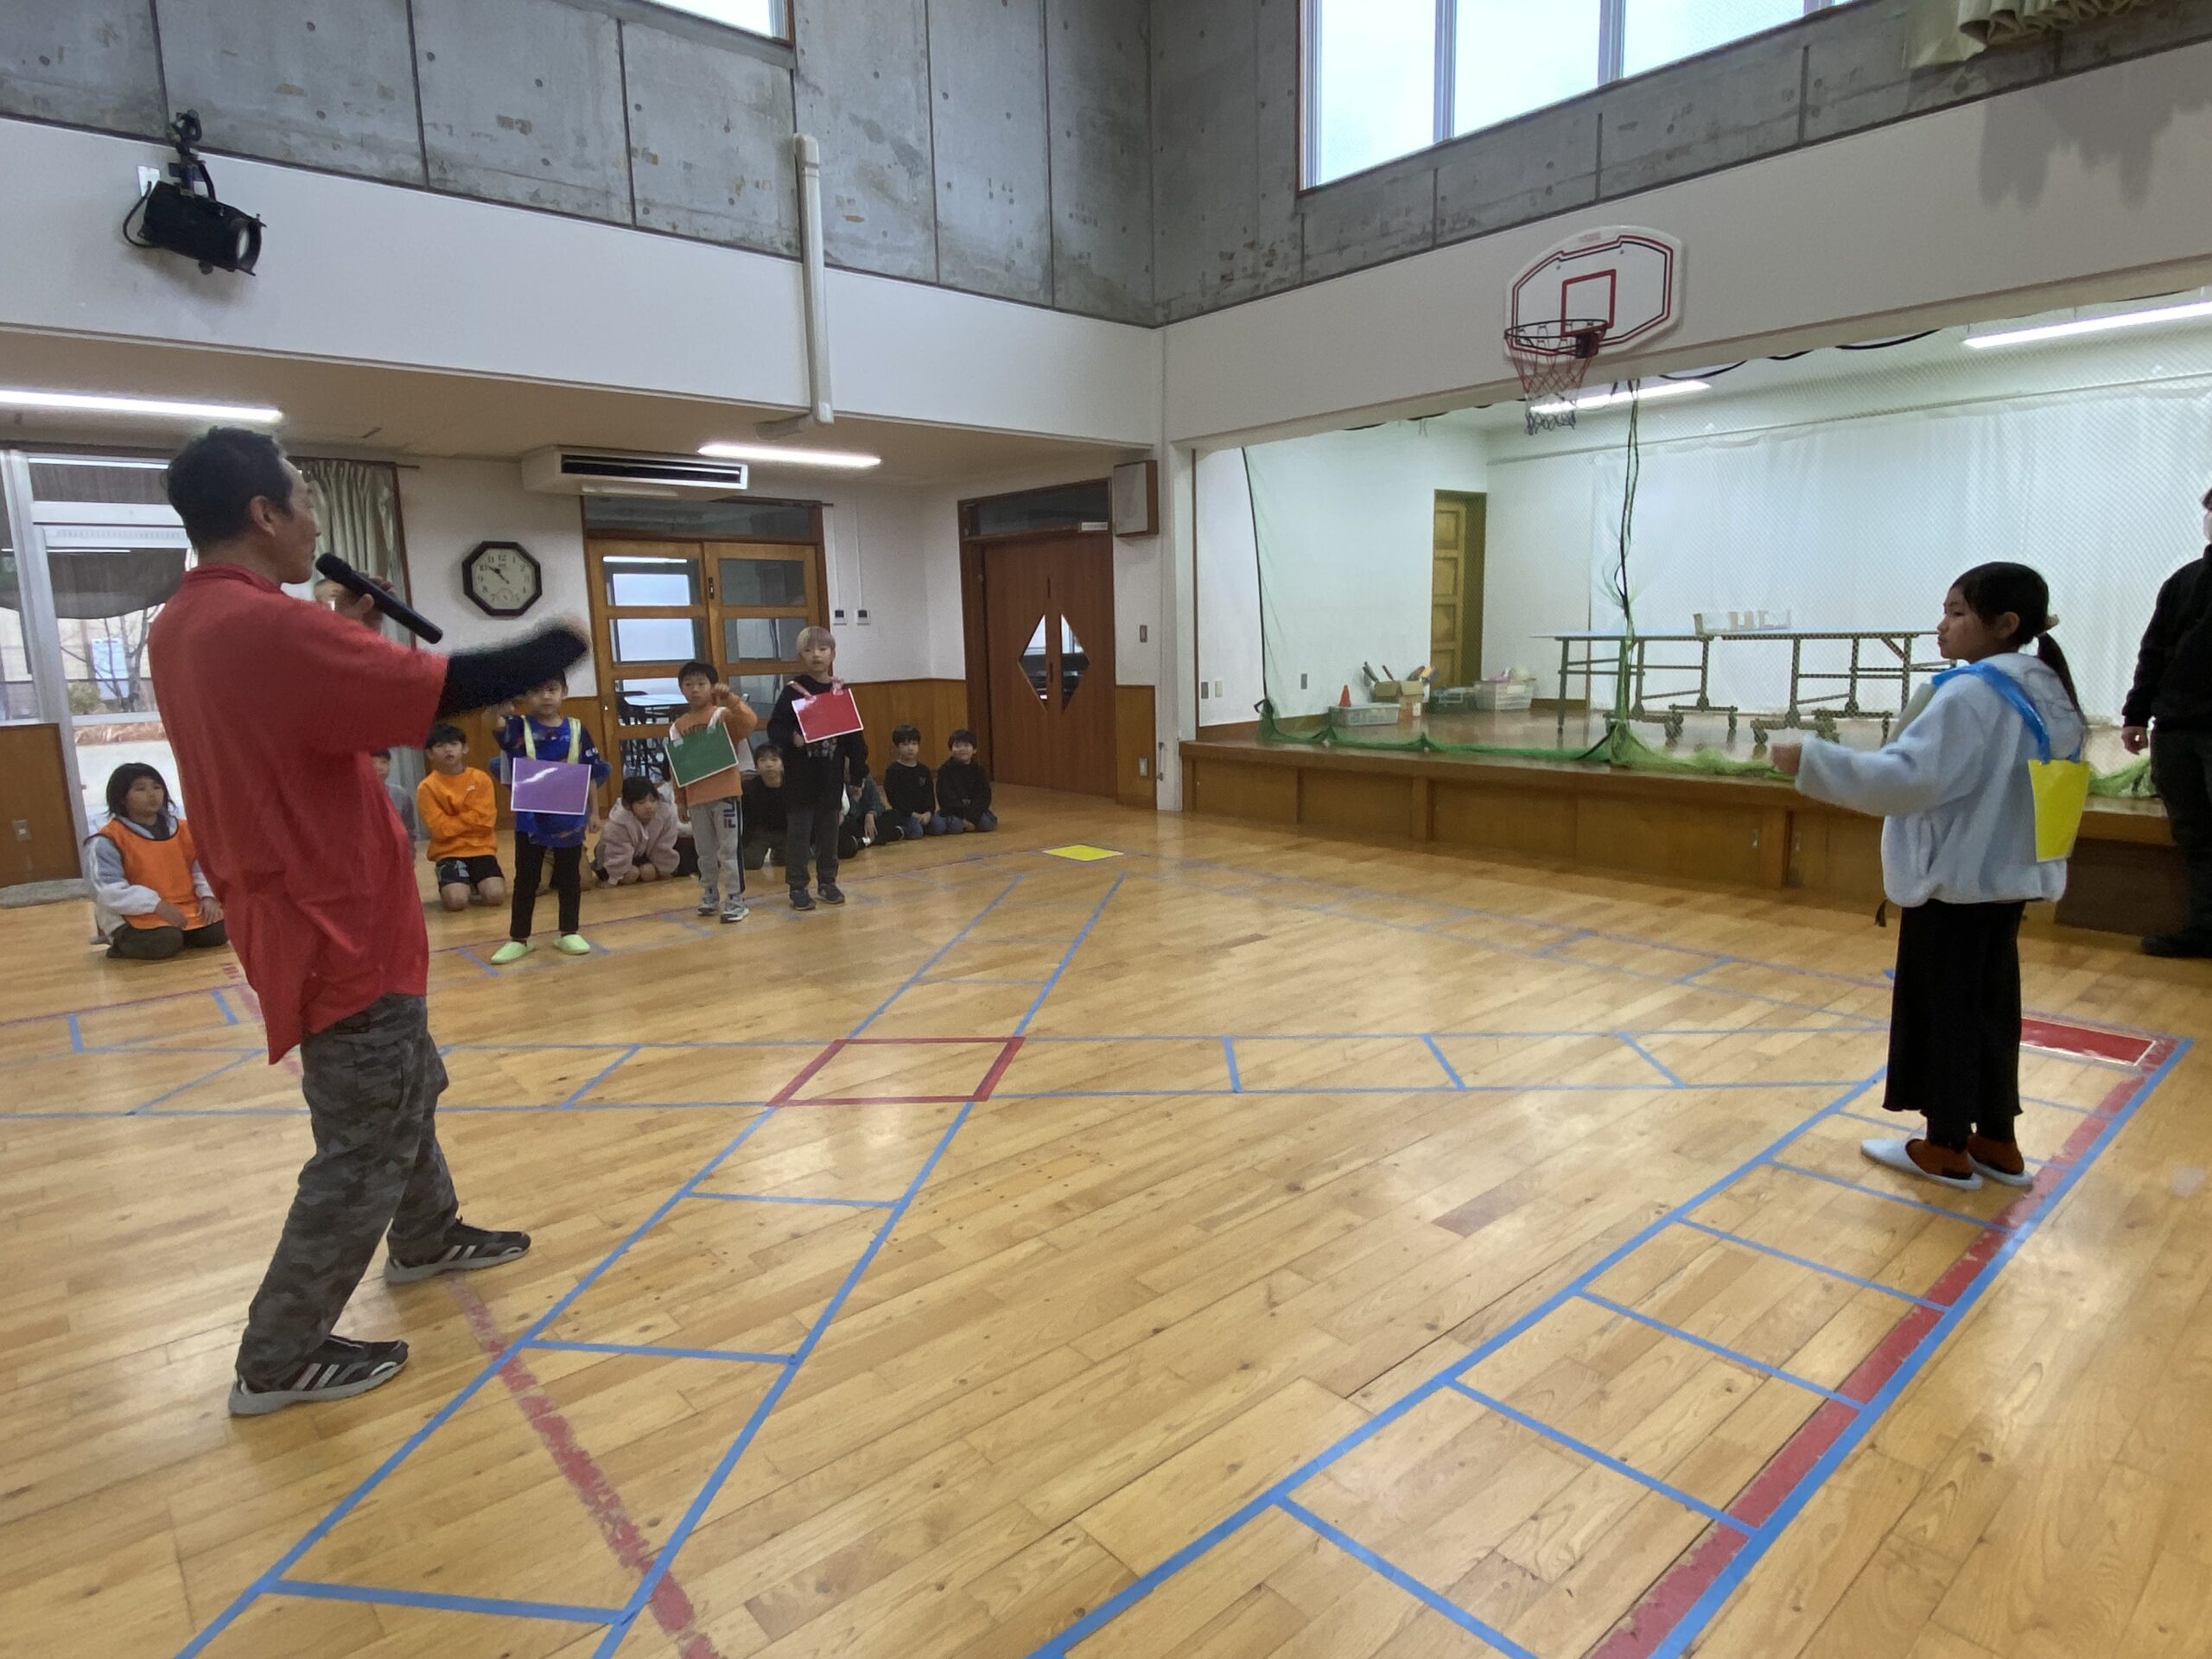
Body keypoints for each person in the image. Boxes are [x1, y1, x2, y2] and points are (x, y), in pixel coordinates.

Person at [150, 426, 587, 1414]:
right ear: (263, 514)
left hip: (309, 909)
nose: (314, 519)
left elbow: (310, 704)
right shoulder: (266, 627)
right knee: (363, 1139)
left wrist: (340, 631)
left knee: (403, 1088)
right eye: (303, 498)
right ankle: (279, 1354)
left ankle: (427, 1234)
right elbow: (445, 692)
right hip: (332, 922)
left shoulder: (189, 622)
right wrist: (558, 642)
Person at [1773, 563, 2082, 1193]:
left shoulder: (1970, 695)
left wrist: (1811, 761)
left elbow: (1906, 780)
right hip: (2008, 883)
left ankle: (1943, 1147)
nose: (1942, 625)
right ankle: (1997, 1139)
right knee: (1992, 1009)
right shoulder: (2050, 690)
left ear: (2006, 624)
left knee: (1945, 1014)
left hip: (1954, 883)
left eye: (1958, 612)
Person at [2121, 484, 2212, 957]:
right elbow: (2153, 650)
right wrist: (2136, 713)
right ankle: (2205, 928)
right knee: (2194, 835)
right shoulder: (2185, 580)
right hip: (2176, 727)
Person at [493, 677, 608, 963]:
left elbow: (590, 773)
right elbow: (491, 723)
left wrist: (594, 812)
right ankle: (519, 938)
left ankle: (569, 931)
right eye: (537, 690)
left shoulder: (578, 729)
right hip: (531, 818)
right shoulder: (518, 726)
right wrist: (498, 706)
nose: (545, 696)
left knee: (570, 877)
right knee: (526, 878)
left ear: (564, 693)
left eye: (552, 690)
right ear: (526, 695)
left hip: (569, 816)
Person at [766, 626, 868, 910]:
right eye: (809, 650)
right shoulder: (792, 691)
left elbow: (855, 739)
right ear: (801, 656)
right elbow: (775, 728)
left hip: (830, 778)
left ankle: (828, 881)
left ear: (832, 654)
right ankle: (798, 886)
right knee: (799, 834)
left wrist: (857, 774)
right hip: (800, 779)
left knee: (829, 833)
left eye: (823, 649)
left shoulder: (840, 692)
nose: (816, 655)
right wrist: (793, 738)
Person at [87, 762, 228, 960]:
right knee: (164, 941)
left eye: (156, 787)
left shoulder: (185, 829)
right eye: (140, 789)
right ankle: (119, 943)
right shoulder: (107, 839)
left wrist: (208, 896)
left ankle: (180, 935)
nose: (152, 794)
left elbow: (203, 868)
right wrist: (155, 905)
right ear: (121, 798)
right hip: (134, 913)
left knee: (218, 932)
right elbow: (105, 890)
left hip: (184, 908)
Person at [668, 659, 757, 924]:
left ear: (711, 687)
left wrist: (730, 698)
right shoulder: (678, 727)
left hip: (726, 796)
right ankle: (709, 892)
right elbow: (677, 766)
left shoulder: (722, 716)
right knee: (705, 851)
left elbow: (749, 722)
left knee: (729, 850)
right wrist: (680, 800)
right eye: (688, 684)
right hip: (697, 800)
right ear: (681, 688)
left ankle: (736, 898)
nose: (695, 689)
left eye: (701, 684)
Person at [416, 722, 504, 912]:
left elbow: (486, 822)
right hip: (448, 852)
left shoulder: (481, 779)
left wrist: (454, 821)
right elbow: (440, 830)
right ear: (429, 753)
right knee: (456, 902)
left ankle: (472, 882)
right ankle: (455, 882)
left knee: (495, 896)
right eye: (440, 746)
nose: (448, 749)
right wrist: (471, 819)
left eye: (454, 744)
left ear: (464, 748)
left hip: (482, 849)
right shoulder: (427, 787)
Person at [594, 775, 680, 886]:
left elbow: (664, 845)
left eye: (653, 800)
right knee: (631, 874)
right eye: (641, 802)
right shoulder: (619, 821)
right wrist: (613, 880)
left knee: (648, 872)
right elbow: (616, 852)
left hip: (643, 855)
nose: (649, 806)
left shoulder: (664, 814)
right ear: (628, 805)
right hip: (611, 859)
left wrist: (665, 870)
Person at [882, 723, 955, 839]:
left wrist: (929, 813)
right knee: (916, 832)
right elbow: (894, 798)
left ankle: (922, 824)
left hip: (924, 812)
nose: (910, 748)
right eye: (905, 744)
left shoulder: (924, 770)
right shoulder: (893, 771)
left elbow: (930, 795)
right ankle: (900, 829)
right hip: (905, 814)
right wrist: (913, 814)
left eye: (914, 744)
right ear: (897, 747)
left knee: (939, 826)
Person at [938, 728, 997, 833]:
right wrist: (963, 818)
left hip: (974, 810)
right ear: (950, 750)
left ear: (974, 750)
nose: (962, 749)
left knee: (987, 824)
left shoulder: (979, 770)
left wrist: (972, 817)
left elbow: (984, 795)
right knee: (955, 826)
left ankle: (973, 822)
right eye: (957, 746)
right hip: (954, 811)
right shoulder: (945, 770)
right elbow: (946, 797)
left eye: (966, 745)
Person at [741, 743, 788, 871]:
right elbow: (746, 819)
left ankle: (777, 854)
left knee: (790, 860)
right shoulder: (748, 788)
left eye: (774, 760)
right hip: (759, 833)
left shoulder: (791, 786)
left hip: (785, 832)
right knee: (751, 862)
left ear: (782, 764)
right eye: (763, 760)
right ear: (756, 766)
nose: (769, 764)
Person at [372, 748, 424, 844]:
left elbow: (409, 830)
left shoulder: (400, 794)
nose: (379, 767)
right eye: (372, 763)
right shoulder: (355, 798)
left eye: (384, 762)